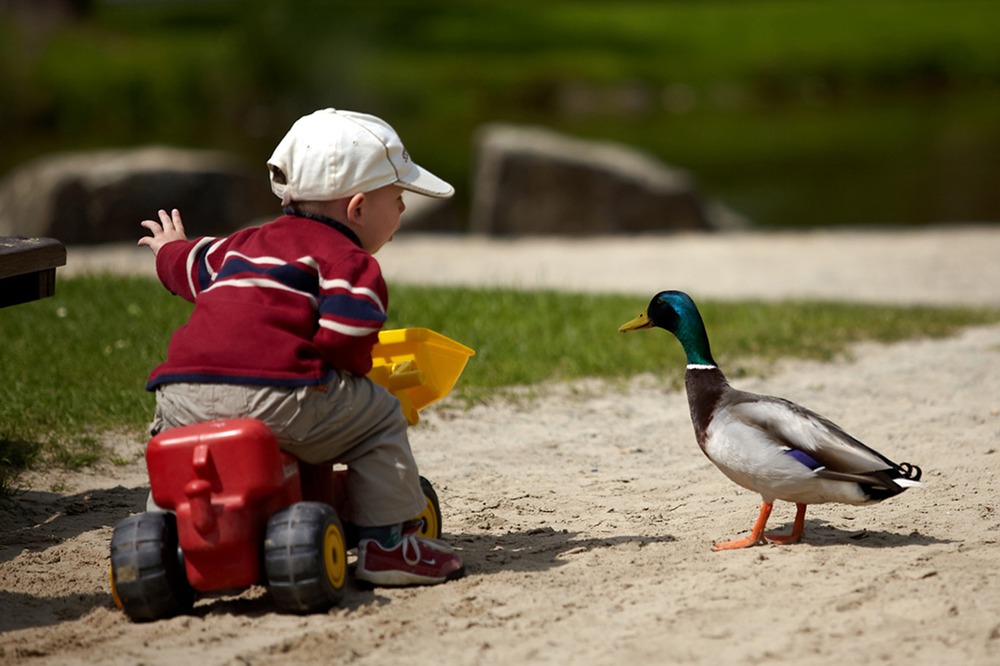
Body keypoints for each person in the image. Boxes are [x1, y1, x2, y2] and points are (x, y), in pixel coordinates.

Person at [137, 108, 464, 587]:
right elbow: (346, 339)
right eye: (397, 198)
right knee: (379, 416)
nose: (402, 211)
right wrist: (347, 371)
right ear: (356, 209)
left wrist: (169, 247)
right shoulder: (349, 262)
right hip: (277, 396)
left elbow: (189, 268)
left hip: (180, 395)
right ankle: (389, 546)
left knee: (182, 463)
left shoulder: (242, 244)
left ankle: (166, 539)